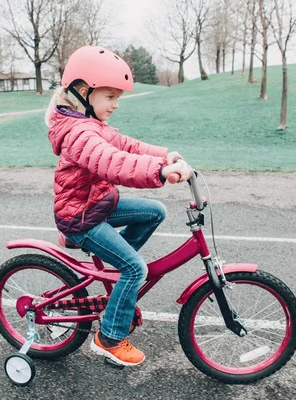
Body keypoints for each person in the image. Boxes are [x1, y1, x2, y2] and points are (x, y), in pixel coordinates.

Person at [45, 45, 191, 367]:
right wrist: (159, 172)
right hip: (80, 218)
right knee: (135, 268)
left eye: (117, 98)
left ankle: (117, 274)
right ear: (84, 92)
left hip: (96, 204)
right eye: (110, 96)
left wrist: (164, 155)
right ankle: (108, 338)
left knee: (155, 212)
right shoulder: (78, 132)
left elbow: (125, 145)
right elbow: (113, 162)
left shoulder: (91, 123)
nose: (115, 105)